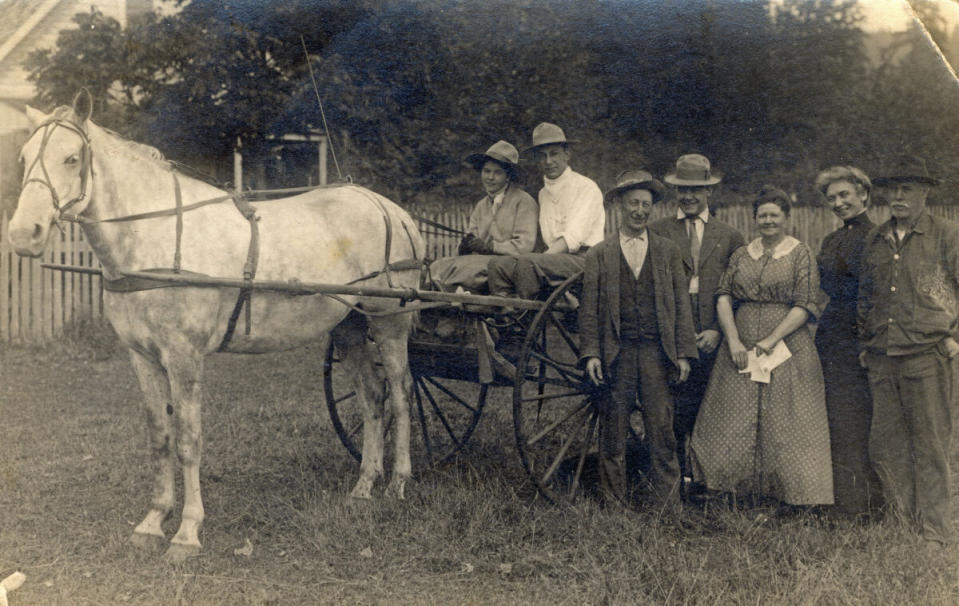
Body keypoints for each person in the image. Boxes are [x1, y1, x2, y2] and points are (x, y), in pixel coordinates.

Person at [690, 185, 833, 509]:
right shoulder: (743, 253)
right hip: (741, 346)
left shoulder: (800, 253)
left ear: (786, 217)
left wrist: (771, 340)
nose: (768, 221)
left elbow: (806, 303)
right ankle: (730, 490)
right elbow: (724, 295)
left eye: (774, 215)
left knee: (785, 418)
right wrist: (734, 339)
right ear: (754, 218)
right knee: (732, 413)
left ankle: (791, 496)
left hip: (786, 346)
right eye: (762, 215)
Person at [579, 169, 697, 509]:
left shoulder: (667, 251)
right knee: (613, 431)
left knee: (662, 429)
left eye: (646, 204)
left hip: (657, 354)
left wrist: (684, 354)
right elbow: (589, 310)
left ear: (653, 208)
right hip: (617, 353)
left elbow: (681, 305)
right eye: (633, 203)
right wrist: (592, 354)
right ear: (619, 206)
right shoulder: (600, 253)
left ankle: (668, 505)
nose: (640, 211)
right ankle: (615, 504)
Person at [857, 154, 959, 546]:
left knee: (930, 445)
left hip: (927, 357)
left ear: (925, 194)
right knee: (887, 445)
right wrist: (866, 344)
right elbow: (865, 298)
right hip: (883, 358)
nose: (898, 197)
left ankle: (936, 532)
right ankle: (903, 526)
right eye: (893, 190)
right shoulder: (877, 238)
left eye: (907, 190)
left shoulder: (945, 235)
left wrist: (953, 337)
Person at [649, 154, 745, 490]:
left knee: (710, 408)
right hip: (673, 333)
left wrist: (718, 331)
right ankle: (671, 480)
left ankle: (707, 480)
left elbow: (738, 289)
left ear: (709, 192)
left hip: (711, 333)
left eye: (696, 190)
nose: (689, 197)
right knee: (671, 407)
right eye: (682, 190)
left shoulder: (730, 236)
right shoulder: (657, 231)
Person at [813, 166, 881, 520]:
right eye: (831, 198)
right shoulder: (831, 240)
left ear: (864, 195)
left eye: (845, 195)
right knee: (836, 418)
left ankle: (861, 506)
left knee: (856, 419)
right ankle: (842, 499)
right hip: (832, 334)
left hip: (860, 334)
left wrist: (867, 340)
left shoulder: (876, 237)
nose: (838, 203)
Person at [487, 122, 605, 300]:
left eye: (554, 154)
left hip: (585, 262)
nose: (549, 161)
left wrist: (537, 260)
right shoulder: (543, 194)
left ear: (567, 154)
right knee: (498, 264)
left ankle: (526, 318)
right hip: (554, 262)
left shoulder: (586, 187)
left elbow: (572, 238)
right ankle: (506, 317)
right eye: (542, 156)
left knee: (527, 263)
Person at [429, 140, 538, 293]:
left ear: (508, 177)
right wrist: (466, 244)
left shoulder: (524, 201)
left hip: (507, 266)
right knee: (437, 266)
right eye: (486, 171)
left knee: (461, 270)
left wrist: (491, 246)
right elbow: (472, 235)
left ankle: (451, 294)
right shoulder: (481, 205)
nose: (490, 177)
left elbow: (524, 246)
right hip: (481, 262)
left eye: (497, 172)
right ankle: (444, 294)